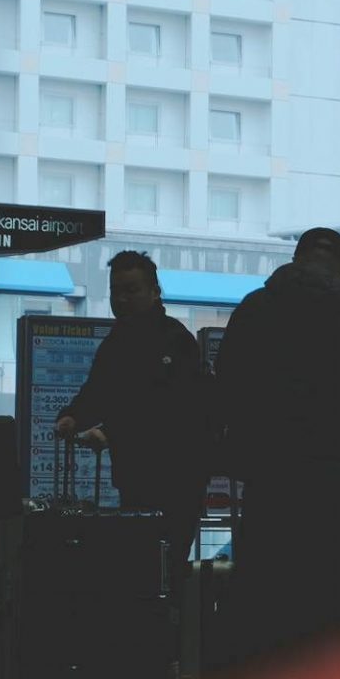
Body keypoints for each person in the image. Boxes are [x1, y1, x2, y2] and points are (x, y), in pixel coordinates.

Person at [214, 227, 340, 665]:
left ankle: (260, 674)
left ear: (296, 259)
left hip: (269, 467)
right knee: (328, 574)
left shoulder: (257, 307)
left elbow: (227, 379)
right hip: (335, 470)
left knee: (266, 571)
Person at [55, 250, 212, 597]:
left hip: (178, 477)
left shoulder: (176, 341)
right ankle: (152, 640)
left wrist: (109, 432)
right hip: (135, 474)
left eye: (132, 289)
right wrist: (72, 416)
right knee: (142, 567)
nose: (121, 299)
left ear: (155, 292)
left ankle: (170, 641)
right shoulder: (117, 342)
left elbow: (174, 409)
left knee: (163, 569)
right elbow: (98, 390)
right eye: (116, 291)